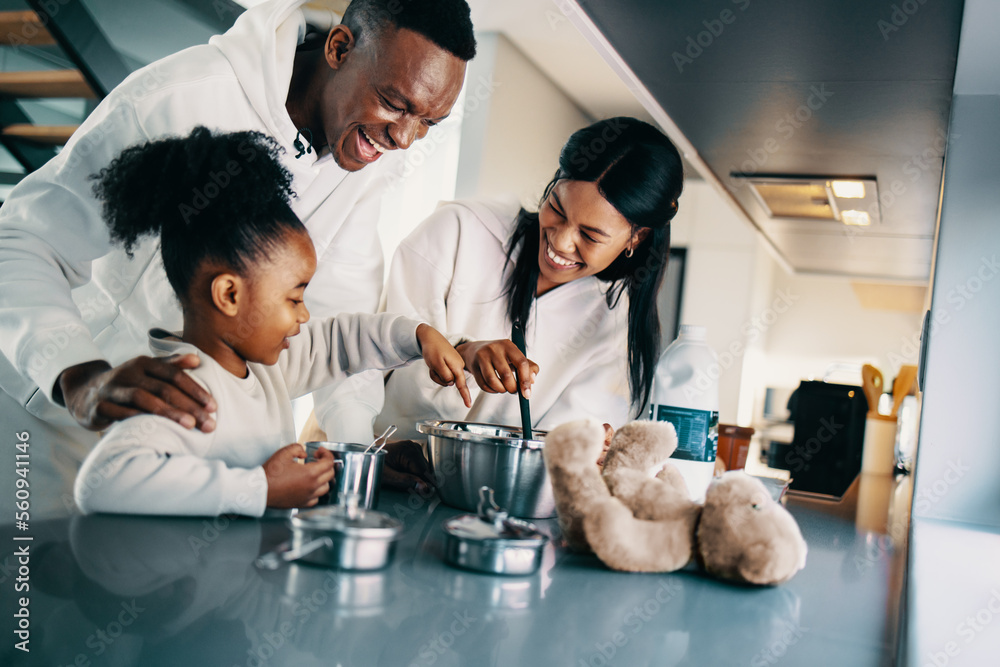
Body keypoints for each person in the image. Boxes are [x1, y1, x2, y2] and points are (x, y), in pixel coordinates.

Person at [0, 0, 475, 515]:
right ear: (340, 49)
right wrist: (77, 375)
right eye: (394, 103)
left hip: (185, 463)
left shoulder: (363, 156)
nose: (404, 138)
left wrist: (360, 453)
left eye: (429, 122)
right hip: (43, 423)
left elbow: (339, 319)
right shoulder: (182, 98)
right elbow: (24, 240)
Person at [73, 128, 469, 516]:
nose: (305, 314)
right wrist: (260, 489)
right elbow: (103, 480)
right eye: (294, 298)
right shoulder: (185, 388)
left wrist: (417, 337)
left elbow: (339, 342)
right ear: (230, 295)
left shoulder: (266, 369)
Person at [370, 117, 684, 442]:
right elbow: (373, 345)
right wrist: (464, 351)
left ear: (637, 237)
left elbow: (562, 452)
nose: (560, 242)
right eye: (558, 210)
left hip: (494, 488)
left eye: (590, 235)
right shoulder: (459, 230)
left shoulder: (613, 330)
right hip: (382, 463)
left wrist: (590, 448)